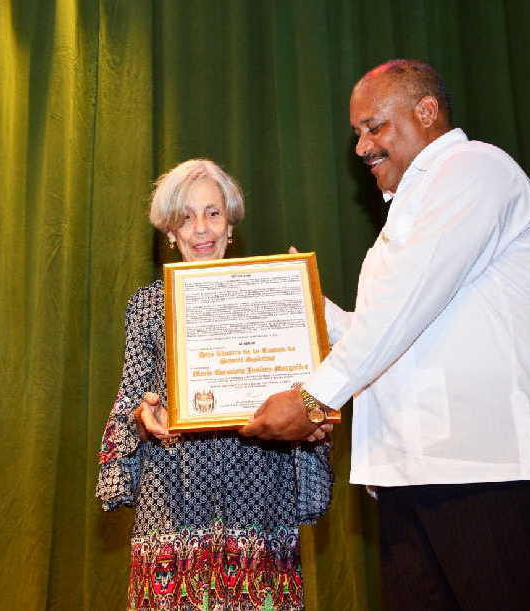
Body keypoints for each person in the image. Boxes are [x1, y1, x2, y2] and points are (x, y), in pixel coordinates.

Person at [241, 60, 530, 610]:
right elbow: (395, 334)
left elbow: (407, 303)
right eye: (357, 133)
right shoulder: (400, 226)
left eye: (373, 126)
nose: (361, 147)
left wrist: (312, 399)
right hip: (414, 479)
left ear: (426, 113)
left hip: (495, 472)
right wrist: (308, 304)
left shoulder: (475, 168)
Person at [96, 159, 333, 611]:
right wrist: (144, 415)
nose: (200, 228)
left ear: (230, 226)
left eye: (212, 213)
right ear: (169, 231)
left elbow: (303, 390)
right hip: (173, 498)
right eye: (186, 217)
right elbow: (131, 395)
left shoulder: (271, 293)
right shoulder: (146, 308)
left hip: (260, 493)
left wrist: (310, 418)